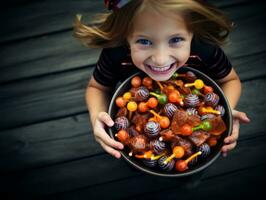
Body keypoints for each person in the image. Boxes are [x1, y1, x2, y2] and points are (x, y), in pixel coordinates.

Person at [73, 0, 250, 160]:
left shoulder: (204, 49)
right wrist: (98, 117)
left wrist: (224, 112)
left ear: (193, 31)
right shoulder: (116, 53)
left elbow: (230, 80)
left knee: (188, 179)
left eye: (176, 39)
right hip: (131, 147)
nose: (160, 59)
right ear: (125, 35)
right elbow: (97, 88)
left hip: (191, 146)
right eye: (144, 41)